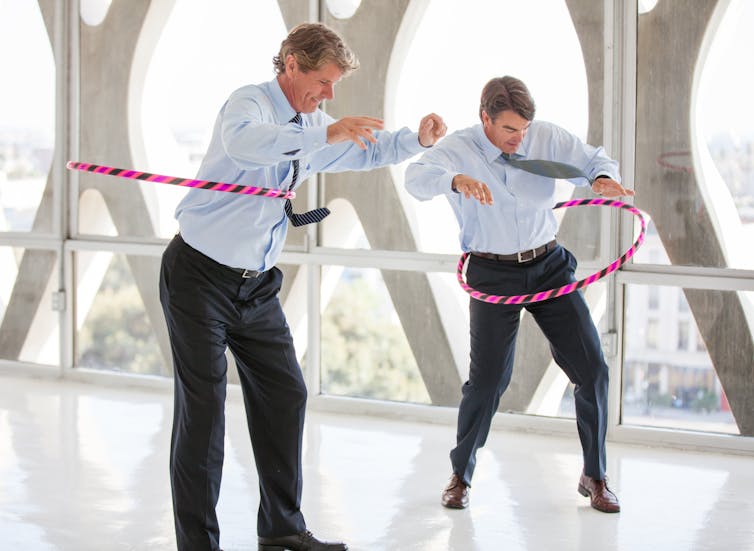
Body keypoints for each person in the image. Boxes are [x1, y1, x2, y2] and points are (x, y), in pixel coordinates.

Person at [159, 22, 446, 551]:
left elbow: (363, 149)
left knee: (286, 393)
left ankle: (282, 530)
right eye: (323, 81)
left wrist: (417, 140)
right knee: (203, 411)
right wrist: (325, 132)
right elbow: (245, 147)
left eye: (334, 86)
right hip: (199, 276)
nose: (329, 96)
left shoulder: (312, 122)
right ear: (291, 63)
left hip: (256, 285)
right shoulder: (251, 105)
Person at [405, 75, 633, 514]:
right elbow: (416, 179)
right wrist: (455, 181)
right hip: (492, 272)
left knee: (594, 370)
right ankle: (460, 475)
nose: (519, 139)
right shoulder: (459, 148)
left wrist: (603, 178)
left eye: (524, 129)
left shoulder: (543, 136)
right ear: (485, 118)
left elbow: (593, 159)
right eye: (509, 130)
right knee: (488, 382)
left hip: (548, 266)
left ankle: (595, 475)